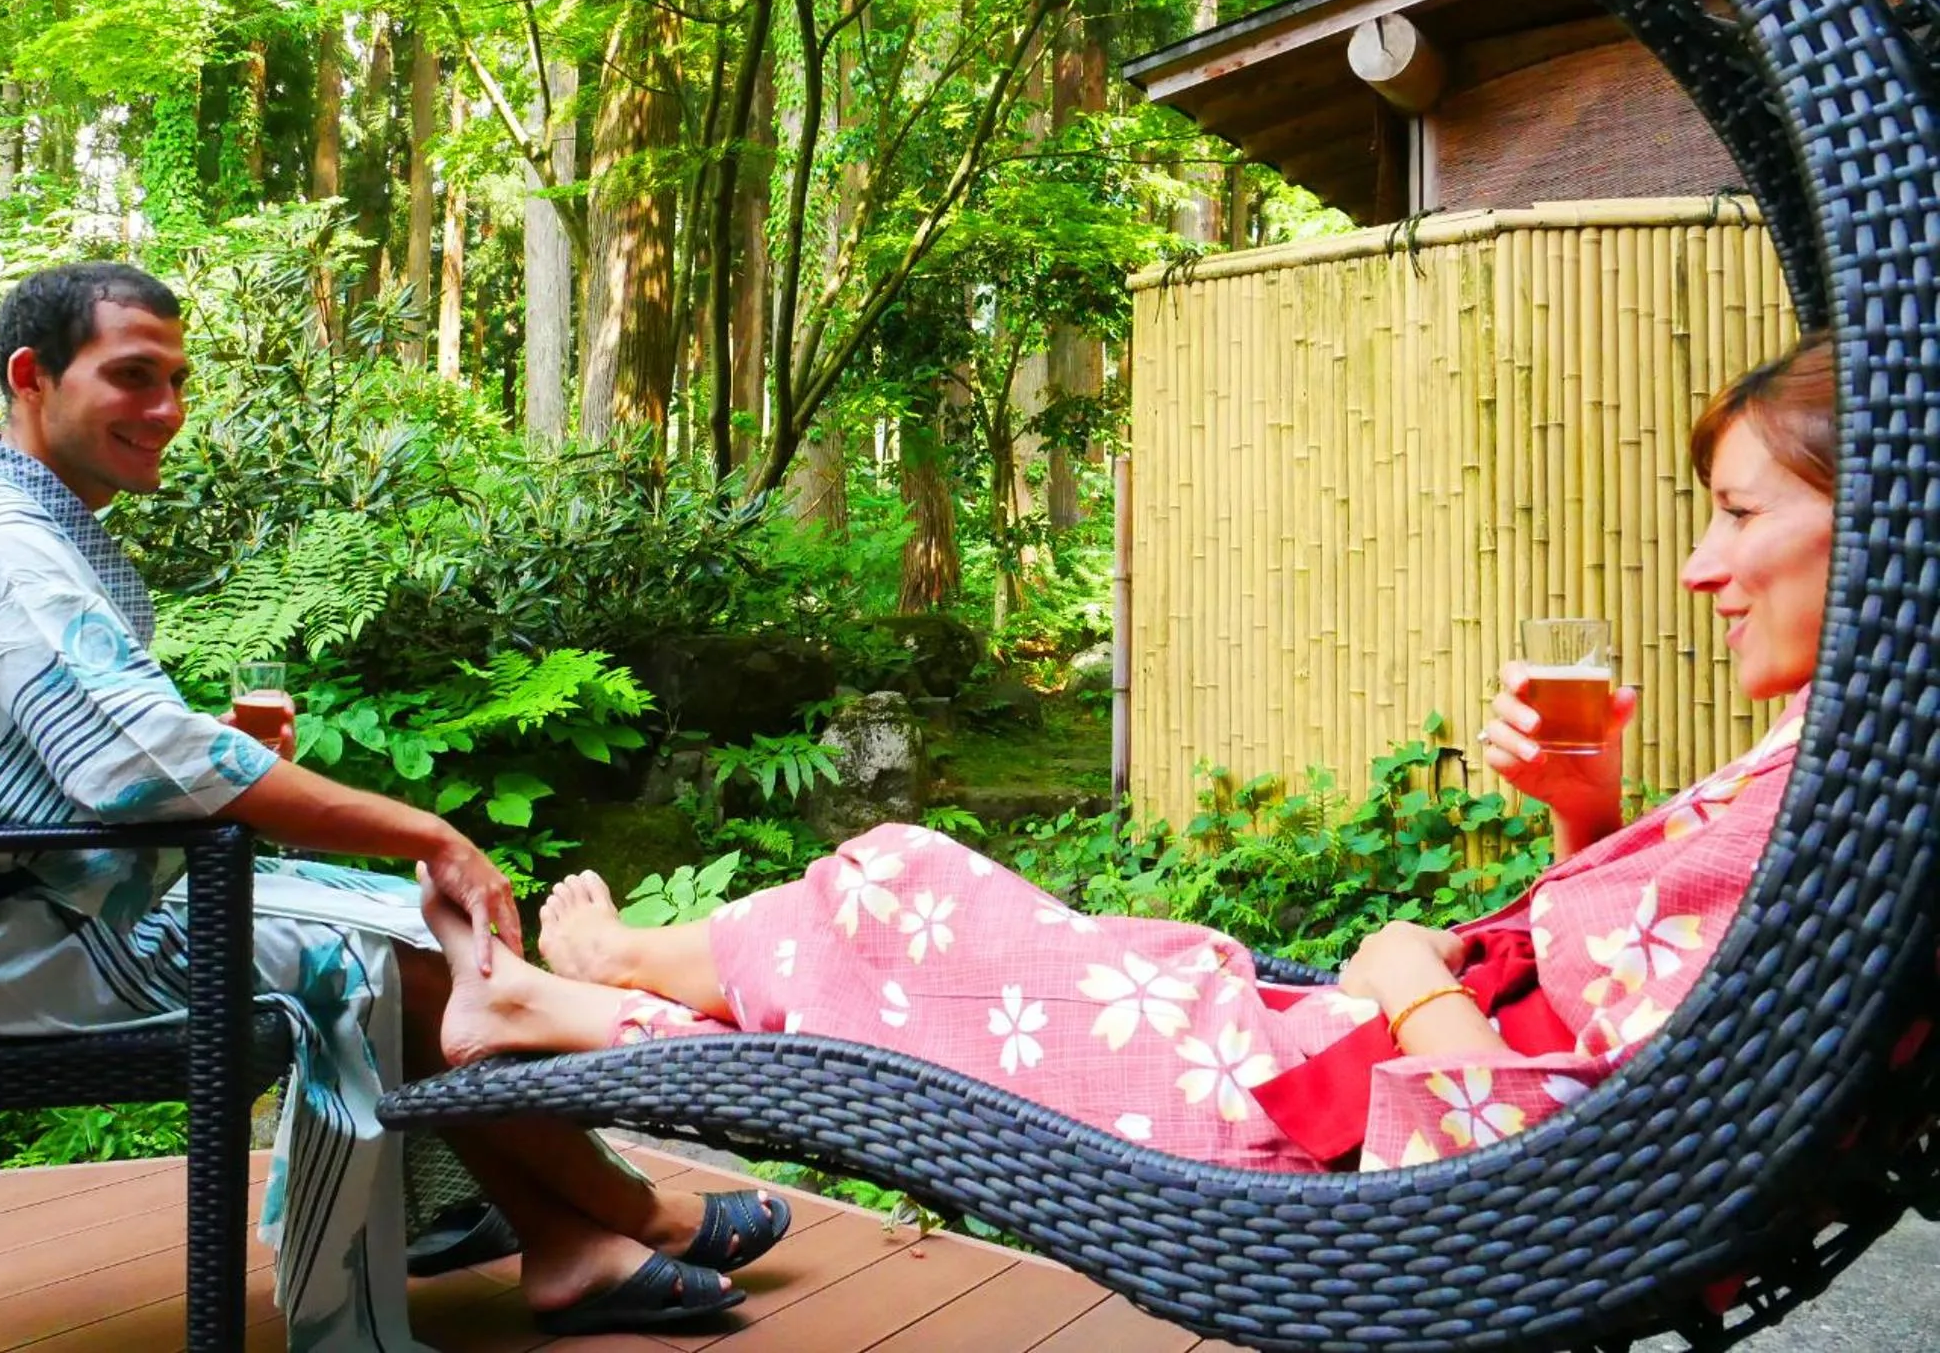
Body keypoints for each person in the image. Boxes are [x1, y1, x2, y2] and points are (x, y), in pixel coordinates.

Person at [424, 335, 1836, 1175]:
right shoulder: (1835, 776)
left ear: (1883, 510)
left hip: (1320, 1121)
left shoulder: (1847, 810)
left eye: (1738, 513)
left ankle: (593, 990)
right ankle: (581, 999)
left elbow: (1559, 1158)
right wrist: (1583, 814)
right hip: (1314, 1060)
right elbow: (1632, 1028)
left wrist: (1410, 985)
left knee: (898, 891)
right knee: (897, 902)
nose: (1704, 566)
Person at [0, 261, 786, 1350]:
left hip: (35, 907)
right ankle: (623, 1212)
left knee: (419, 926)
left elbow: (106, 754)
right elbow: (145, 766)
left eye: (177, 379)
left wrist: (219, 766)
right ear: (31, 377)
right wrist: (426, 827)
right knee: (393, 962)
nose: (167, 410)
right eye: (133, 376)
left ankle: (565, 1243)